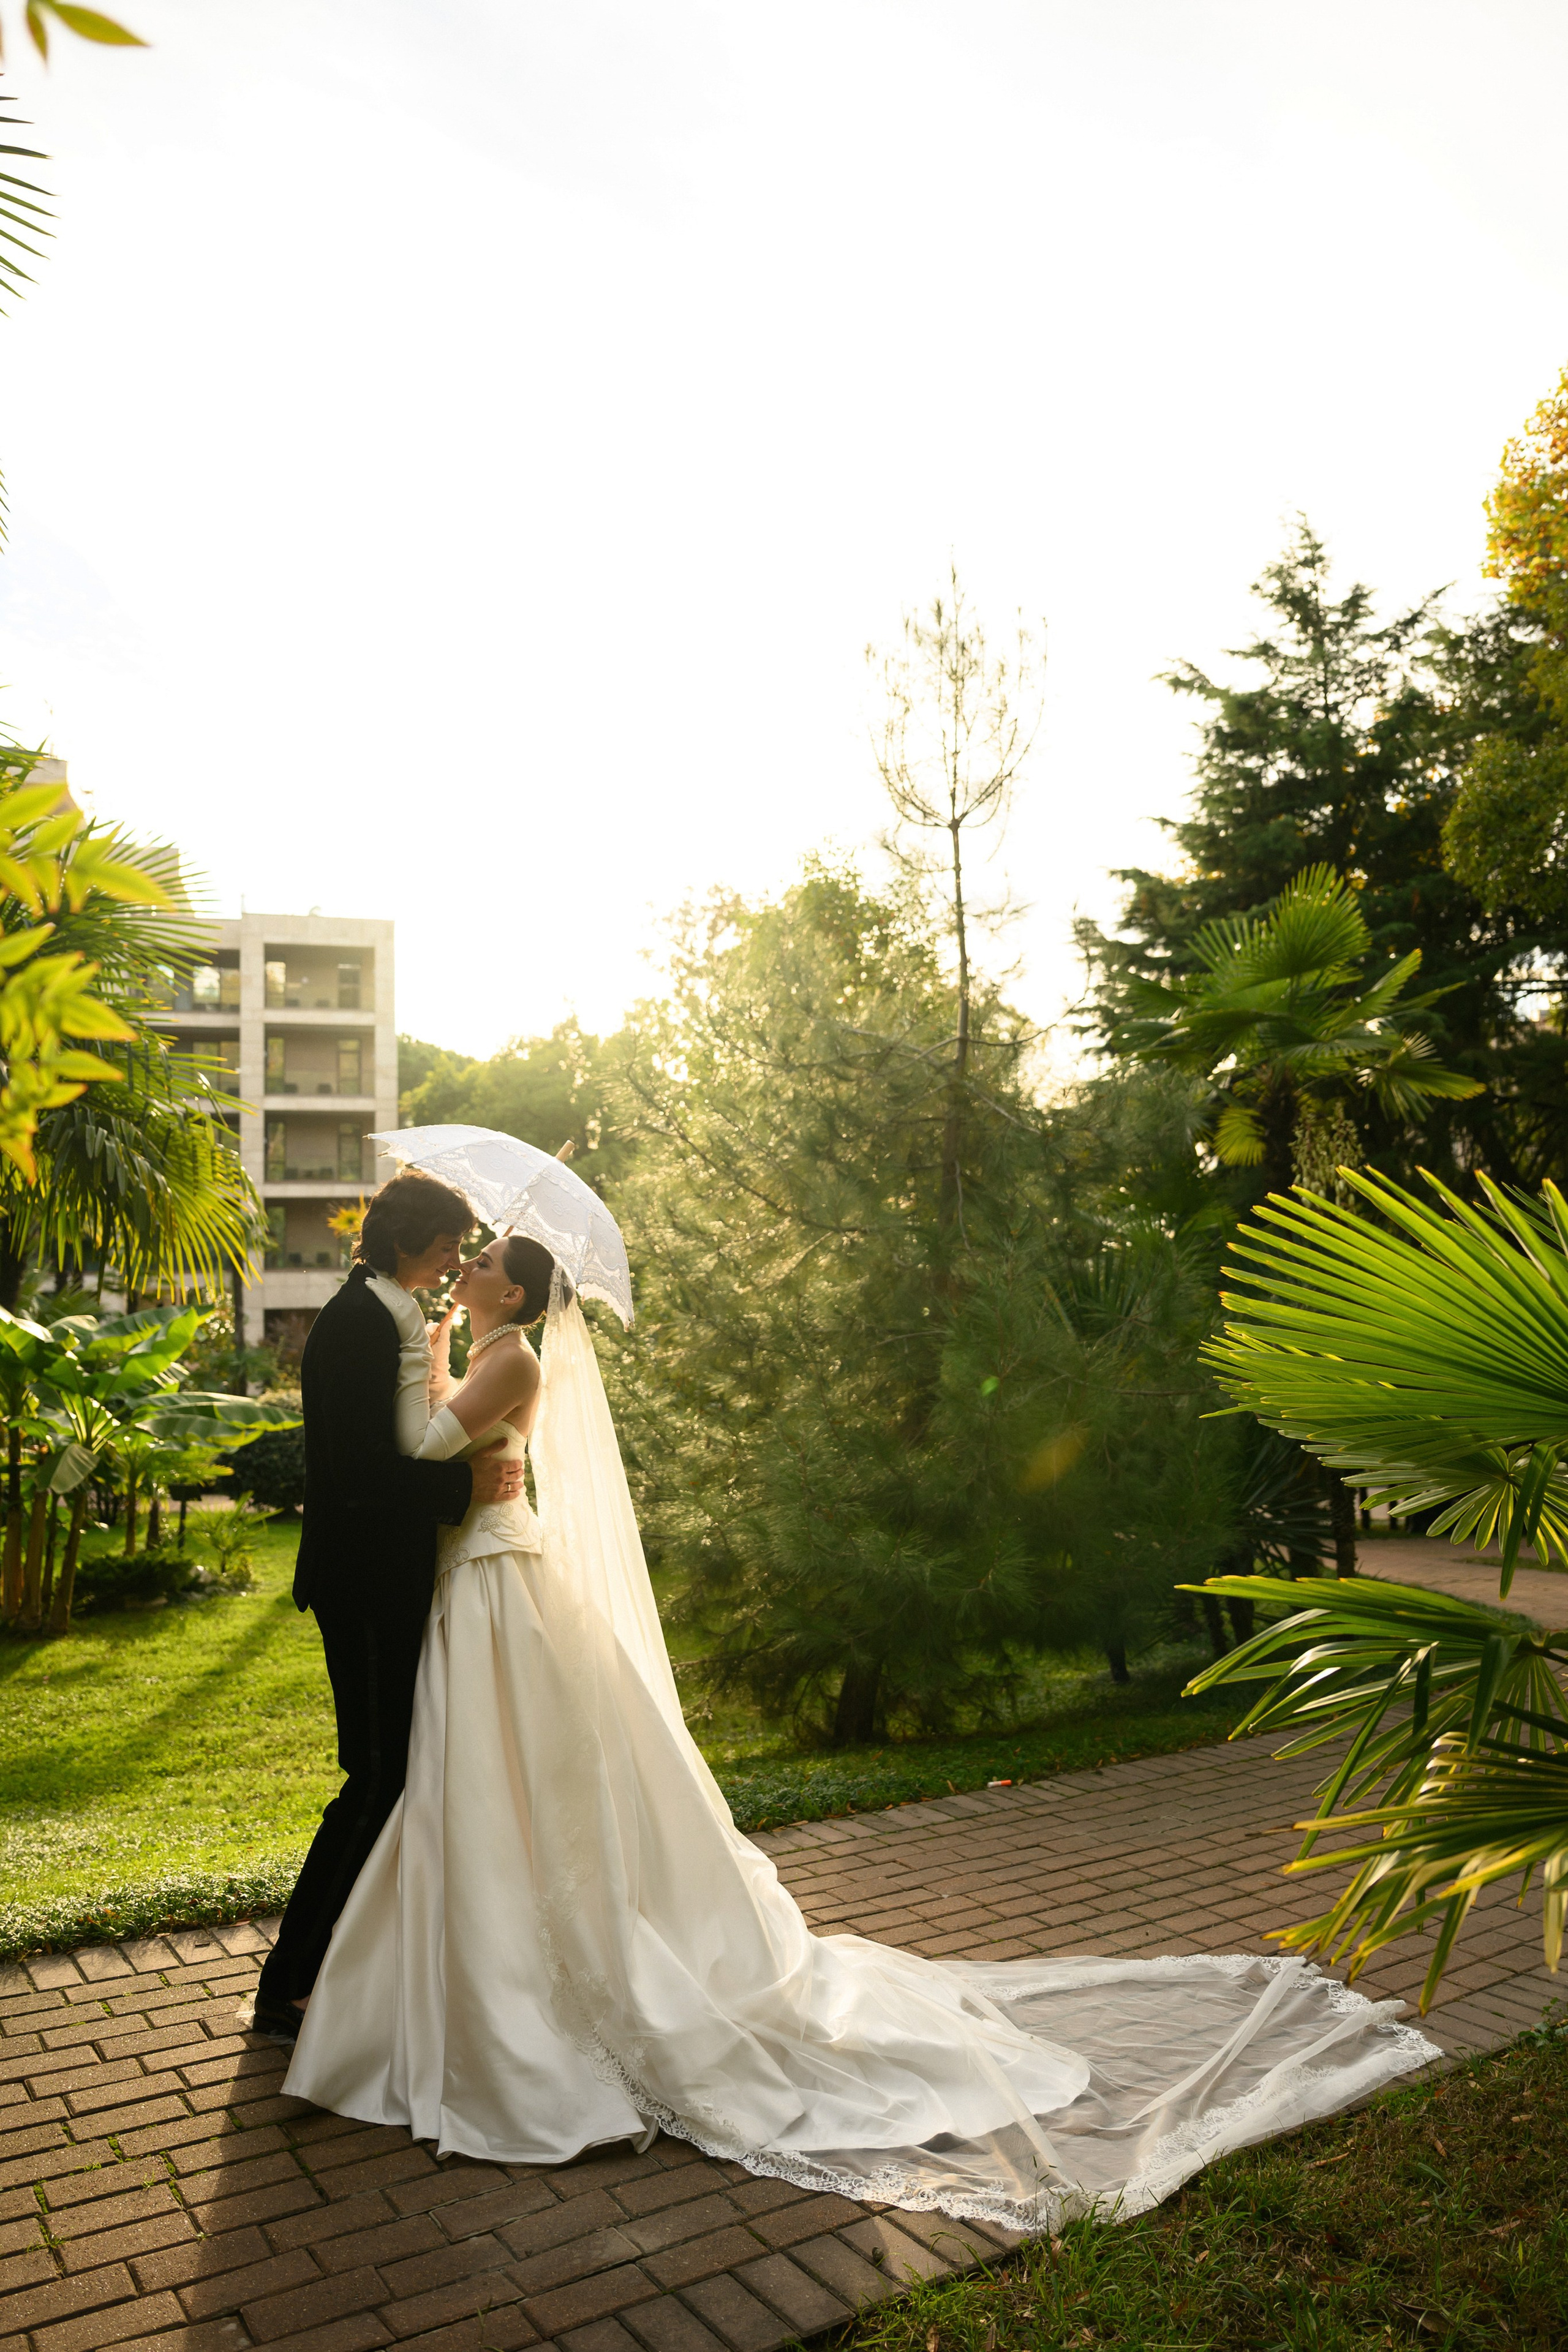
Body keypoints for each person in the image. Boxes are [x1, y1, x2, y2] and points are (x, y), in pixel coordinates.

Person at [279, 1229, 1440, 2231]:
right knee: (485, 1784)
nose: (466, 1265)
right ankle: (466, 1966)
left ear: (518, 1297)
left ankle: (529, 1987)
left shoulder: (511, 1355)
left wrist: (425, 1365)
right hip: (479, 1578)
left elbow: (433, 1447)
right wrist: (434, 1358)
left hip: (497, 1579)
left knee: (508, 1776)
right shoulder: (488, 1345)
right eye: (464, 1258)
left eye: (482, 1263)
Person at [250, 1173, 527, 2046]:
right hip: (363, 1582)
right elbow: (361, 1474)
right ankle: (287, 1985)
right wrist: (465, 1482)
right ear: (409, 1239)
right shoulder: (360, 1321)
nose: (453, 1262)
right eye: (449, 1245)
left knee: (387, 1774)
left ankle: (336, 1965)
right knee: (374, 1778)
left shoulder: (385, 1313)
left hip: (384, 1578)